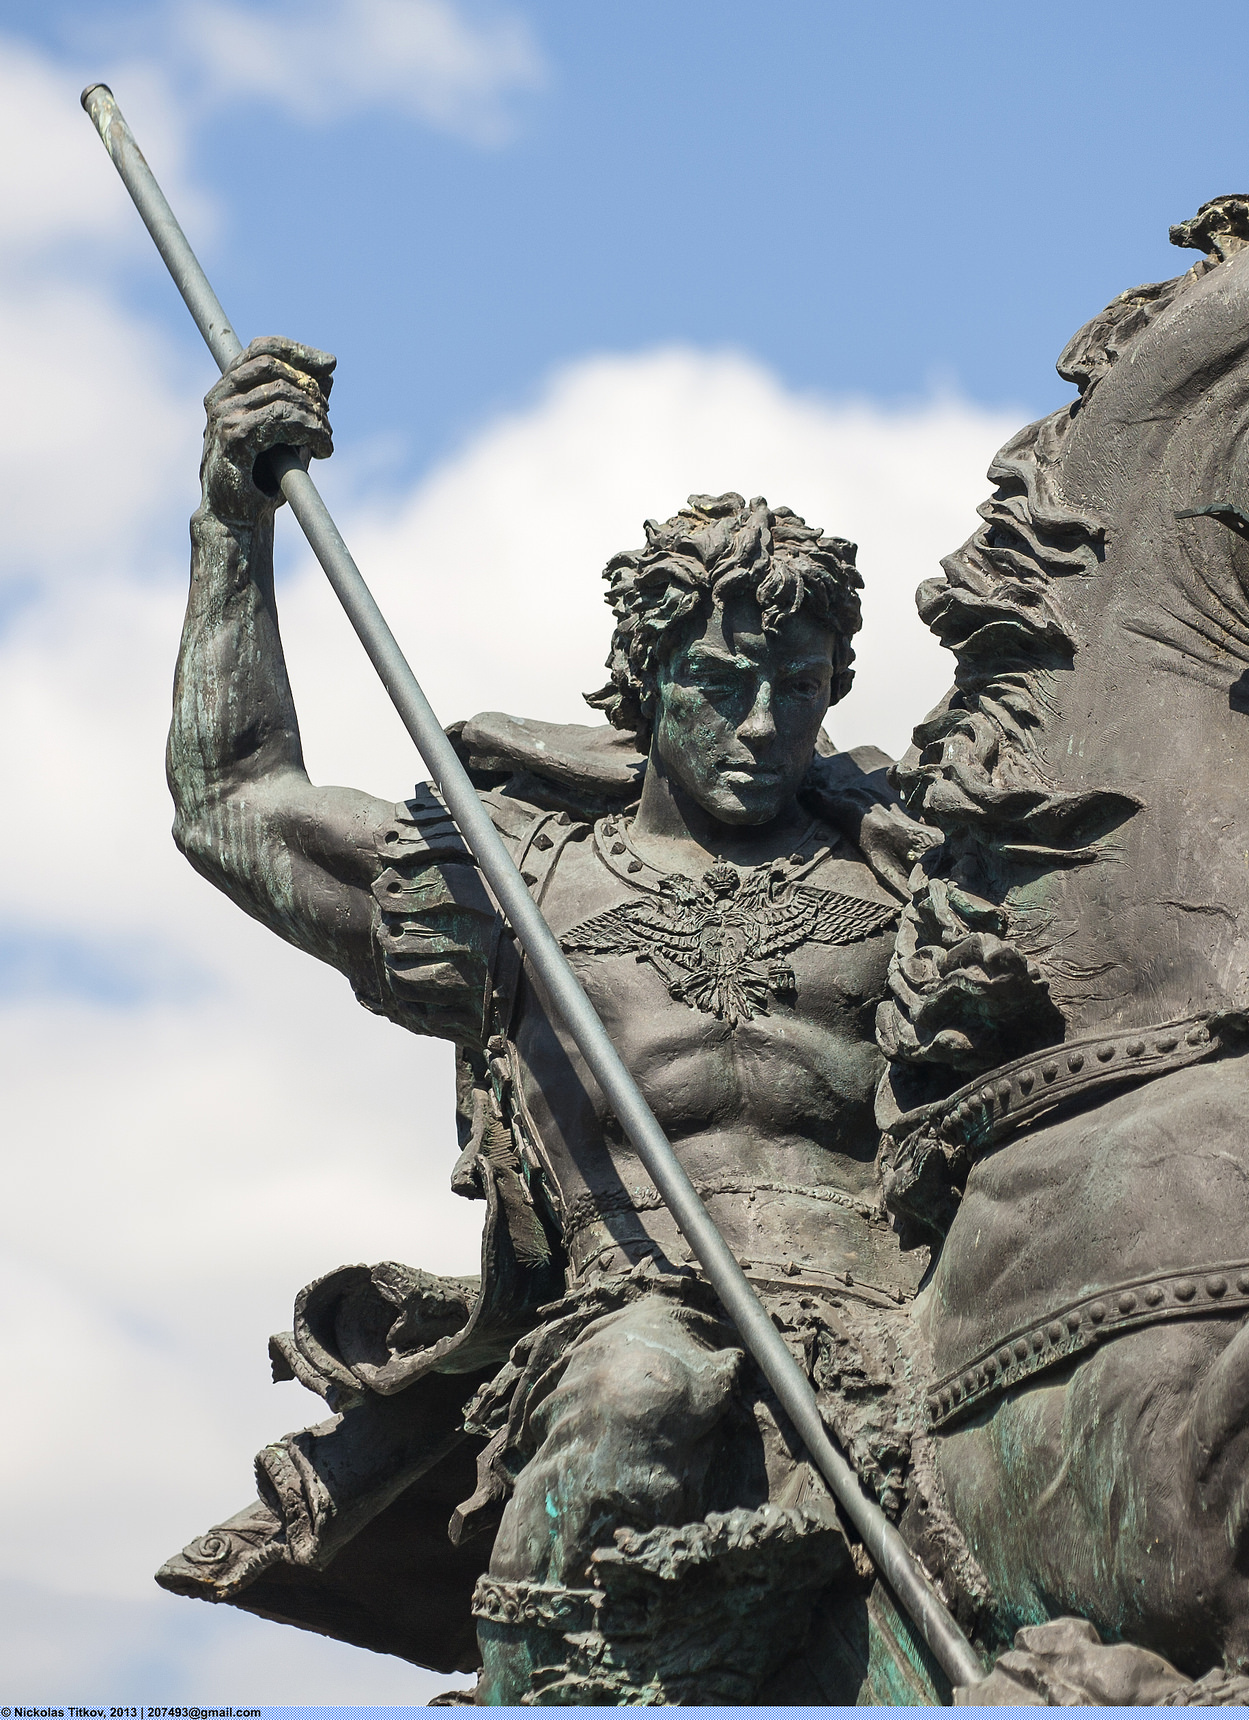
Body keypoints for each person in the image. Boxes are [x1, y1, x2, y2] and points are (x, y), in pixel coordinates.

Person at [158, 336, 938, 1703]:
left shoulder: (908, 872)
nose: (765, 722)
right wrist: (236, 518)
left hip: (906, 1307)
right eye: (723, 682)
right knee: (639, 1392)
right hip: (641, 1308)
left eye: (801, 685)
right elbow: (233, 802)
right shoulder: (514, 881)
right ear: (645, 680)